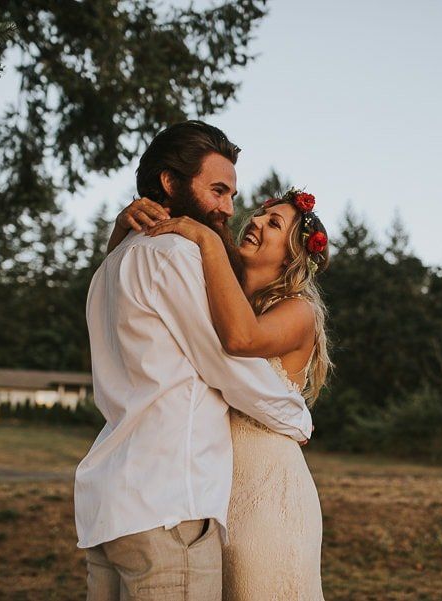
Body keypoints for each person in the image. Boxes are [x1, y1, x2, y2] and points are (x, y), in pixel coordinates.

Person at [75, 121, 313, 601]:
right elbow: (226, 360)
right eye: (218, 190)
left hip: (111, 505)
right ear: (169, 183)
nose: (231, 209)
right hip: (166, 503)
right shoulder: (177, 255)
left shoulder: (112, 263)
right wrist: (297, 416)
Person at [114, 186, 332, 600]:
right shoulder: (212, 290)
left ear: (292, 256)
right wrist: (123, 230)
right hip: (211, 488)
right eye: (259, 215)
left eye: (274, 224)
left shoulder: (297, 311)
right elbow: (129, 293)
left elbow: (241, 339)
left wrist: (207, 238)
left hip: (268, 490)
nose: (254, 222)